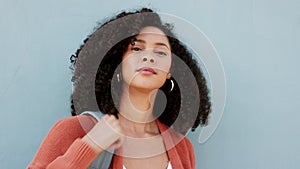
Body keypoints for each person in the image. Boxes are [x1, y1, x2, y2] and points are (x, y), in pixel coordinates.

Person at [28, 8, 211, 169]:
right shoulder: (76, 130)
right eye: (137, 49)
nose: (149, 57)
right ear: (118, 62)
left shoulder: (182, 148)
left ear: (170, 71)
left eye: (160, 52)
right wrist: (89, 146)